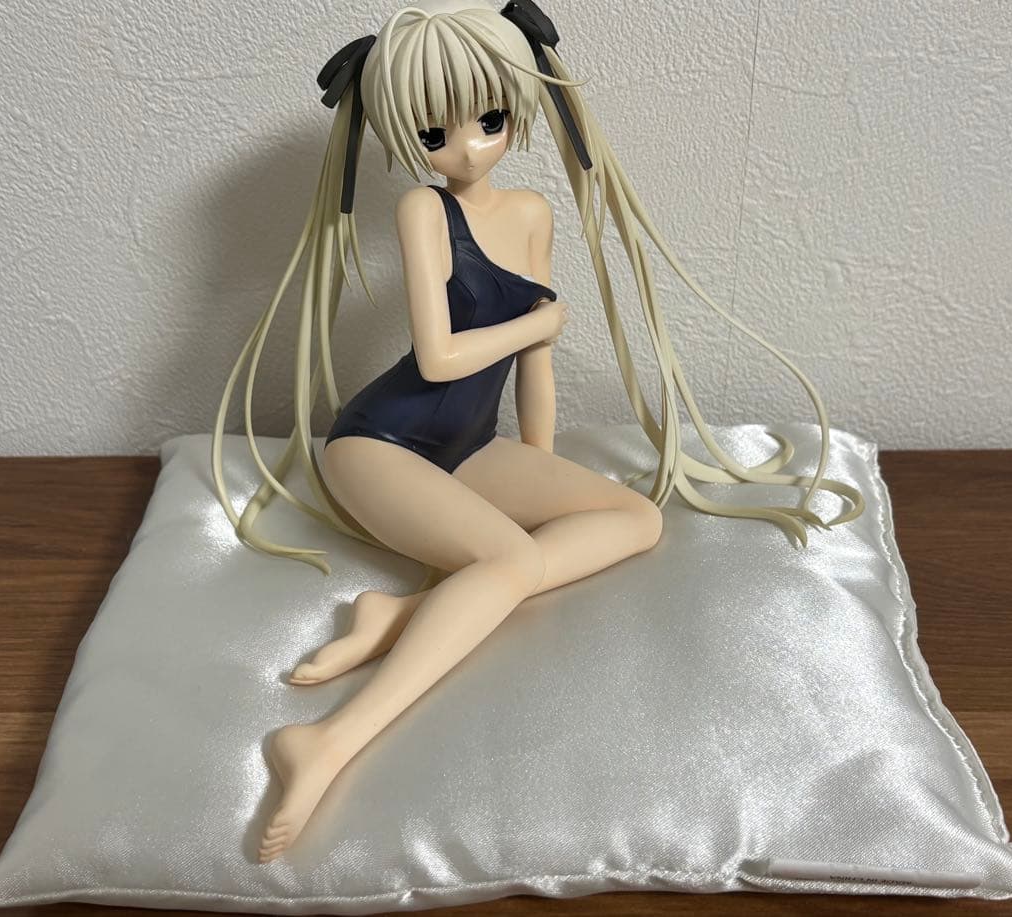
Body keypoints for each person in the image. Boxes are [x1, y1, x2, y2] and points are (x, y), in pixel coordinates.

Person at [210, 0, 866, 862]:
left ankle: (400, 611)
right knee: (511, 561)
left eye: (488, 120)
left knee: (635, 518)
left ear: (516, 109)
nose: (467, 148)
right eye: (436, 134)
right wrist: (537, 325)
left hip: (471, 448)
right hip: (378, 444)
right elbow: (439, 357)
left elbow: (536, 368)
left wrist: (537, 475)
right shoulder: (423, 212)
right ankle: (326, 741)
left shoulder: (530, 214)